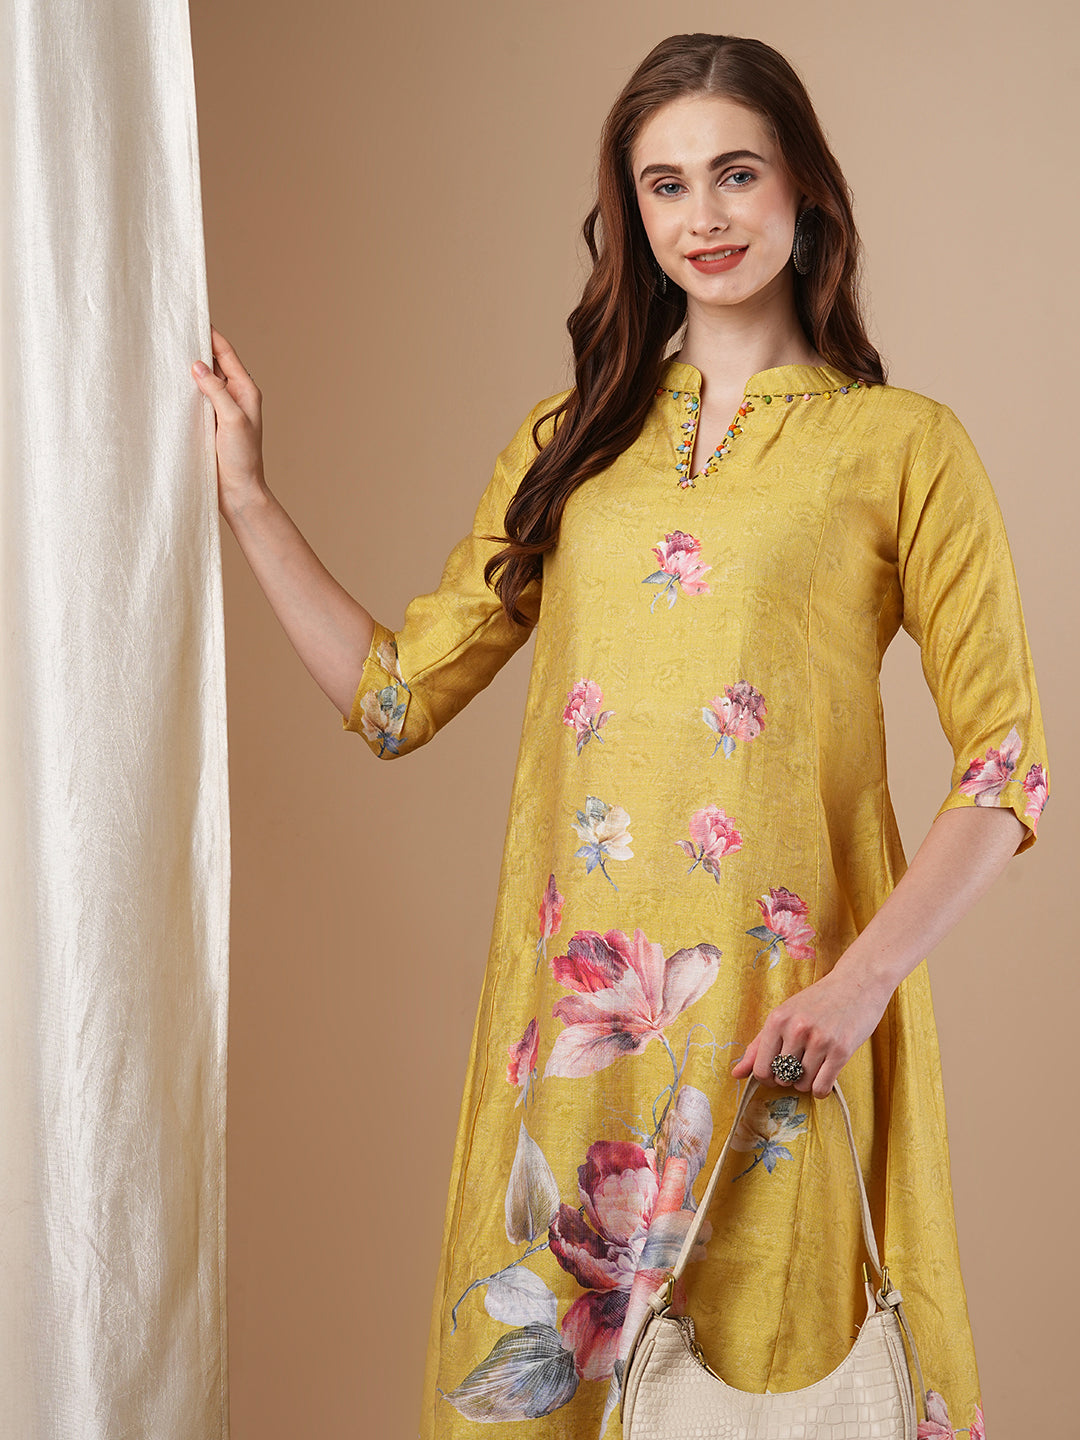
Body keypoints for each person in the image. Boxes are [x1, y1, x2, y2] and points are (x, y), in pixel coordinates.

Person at [192, 32, 1048, 1440]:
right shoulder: (573, 441)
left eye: (736, 173)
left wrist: (859, 988)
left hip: (786, 1033)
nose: (703, 216)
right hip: (582, 1049)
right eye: (665, 185)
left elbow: (1007, 768)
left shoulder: (903, 447)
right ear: (632, 214)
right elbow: (397, 697)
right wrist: (247, 496)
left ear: (805, 189)